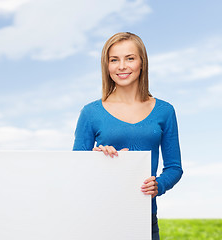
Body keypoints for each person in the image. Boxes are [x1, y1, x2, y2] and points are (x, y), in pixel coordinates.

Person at [72, 32, 183, 240]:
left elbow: (175, 168)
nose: (122, 66)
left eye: (130, 58)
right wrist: (96, 160)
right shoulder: (90, 112)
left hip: (144, 218)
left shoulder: (165, 111)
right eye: (114, 60)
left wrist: (159, 185)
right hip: (101, 218)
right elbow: (76, 170)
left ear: (142, 62)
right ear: (107, 66)